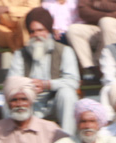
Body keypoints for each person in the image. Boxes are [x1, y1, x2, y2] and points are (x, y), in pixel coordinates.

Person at [7, 7, 80, 135]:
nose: (36, 35)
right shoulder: (20, 54)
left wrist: (47, 84)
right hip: (30, 102)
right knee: (9, 100)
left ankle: (68, 139)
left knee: (67, 94)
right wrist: (29, 87)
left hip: (55, 102)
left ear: (48, 31)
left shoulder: (65, 51)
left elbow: (73, 81)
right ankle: (14, 139)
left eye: (40, 30)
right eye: (32, 32)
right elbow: (12, 83)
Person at [66, 0, 116, 80]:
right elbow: (83, 11)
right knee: (73, 30)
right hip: (97, 27)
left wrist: (97, 3)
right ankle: (91, 69)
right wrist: (108, 14)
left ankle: (114, 67)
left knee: (106, 22)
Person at [0, 0, 38, 72]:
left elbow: (34, 10)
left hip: (23, 34)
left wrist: (7, 9)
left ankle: (29, 65)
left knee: (26, 20)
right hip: (3, 31)